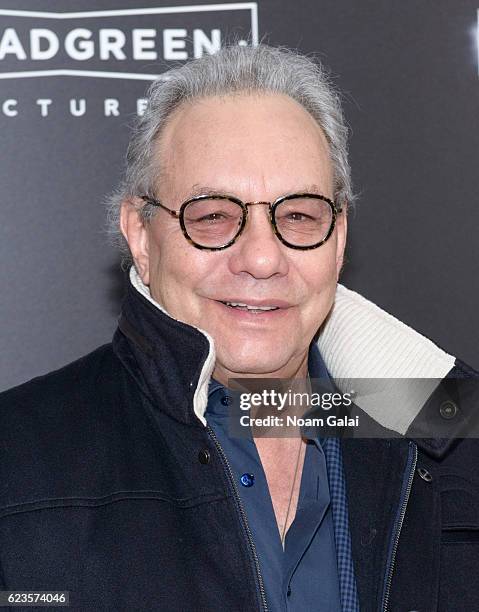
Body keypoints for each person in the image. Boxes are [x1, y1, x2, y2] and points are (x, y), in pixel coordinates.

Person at [0, 44, 477, 612]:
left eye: (298, 215)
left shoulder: (456, 443)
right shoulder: (17, 461)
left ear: (340, 236)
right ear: (141, 236)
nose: (260, 258)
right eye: (213, 217)